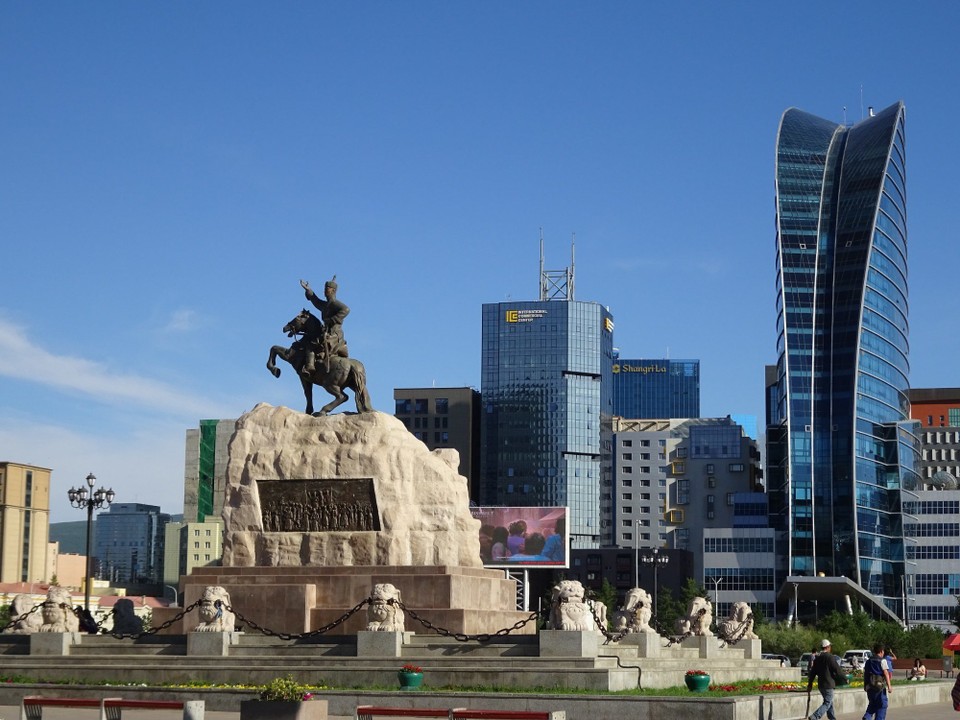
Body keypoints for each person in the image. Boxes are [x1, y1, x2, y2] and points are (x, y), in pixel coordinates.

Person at [300, 277, 350, 375]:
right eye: (324, 289)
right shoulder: (325, 304)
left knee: (312, 344)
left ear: (333, 291)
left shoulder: (334, 303)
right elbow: (316, 301)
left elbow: (346, 309)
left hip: (334, 334)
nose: (325, 291)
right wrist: (308, 290)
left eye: (327, 289)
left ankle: (310, 367)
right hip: (327, 332)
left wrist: (331, 320)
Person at [807, 638, 844, 720]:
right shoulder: (830, 657)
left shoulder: (817, 658)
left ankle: (832, 718)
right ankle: (815, 716)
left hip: (821, 685)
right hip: (828, 684)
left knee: (829, 702)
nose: (830, 648)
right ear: (827, 647)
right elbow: (837, 669)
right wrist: (844, 678)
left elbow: (813, 672)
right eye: (830, 646)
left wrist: (810, 684)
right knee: (827, 702)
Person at [863, 643, 892, 720]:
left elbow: (866, 674)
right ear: (881, 651)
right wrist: (889, 686)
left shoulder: (868, 661)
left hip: (870, 686)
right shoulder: (883, 661)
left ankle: (867, 717)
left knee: (872, 704)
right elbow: (886, 673)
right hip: (879, 687)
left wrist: (865, 686)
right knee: (882, 706)